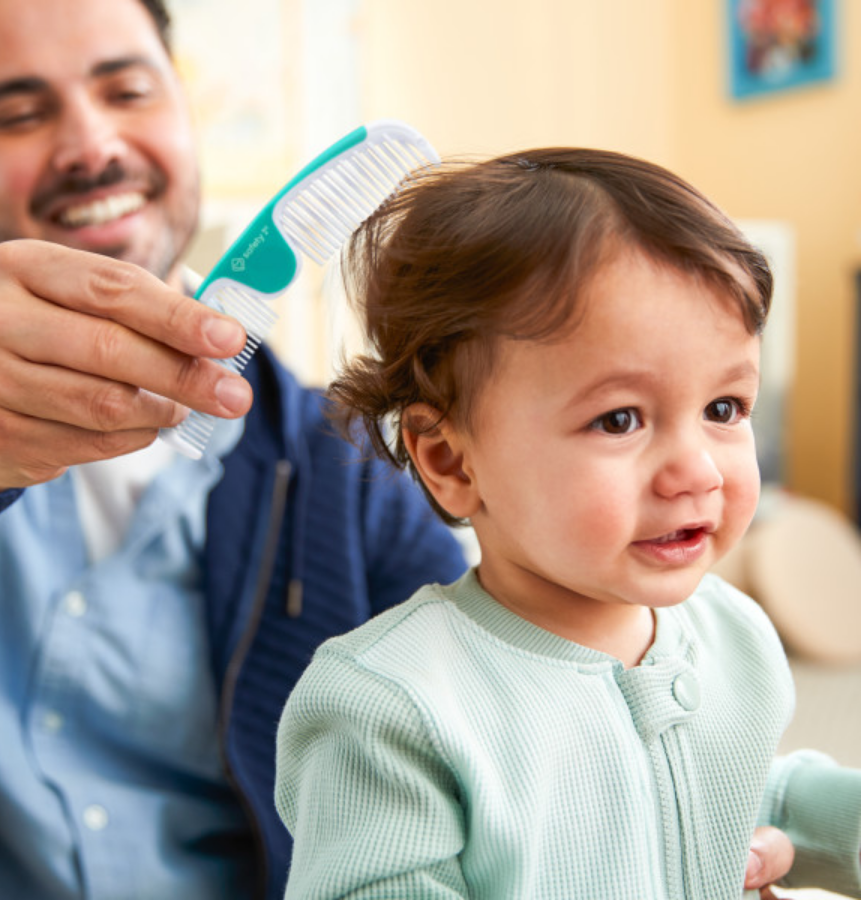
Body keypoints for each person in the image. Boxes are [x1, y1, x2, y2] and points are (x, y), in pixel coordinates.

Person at [0, 1, 469, 898]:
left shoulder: (351, 481)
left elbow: (492, 716)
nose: (88, 144)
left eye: (126, 89)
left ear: (185, 110)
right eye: (17, 112)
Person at [275, 150, 861, 898]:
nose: (699, 471)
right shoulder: (392, 709)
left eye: (724, 409)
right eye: (620, 419)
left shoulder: (732, 635)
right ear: (452, 461)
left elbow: (744, 794)